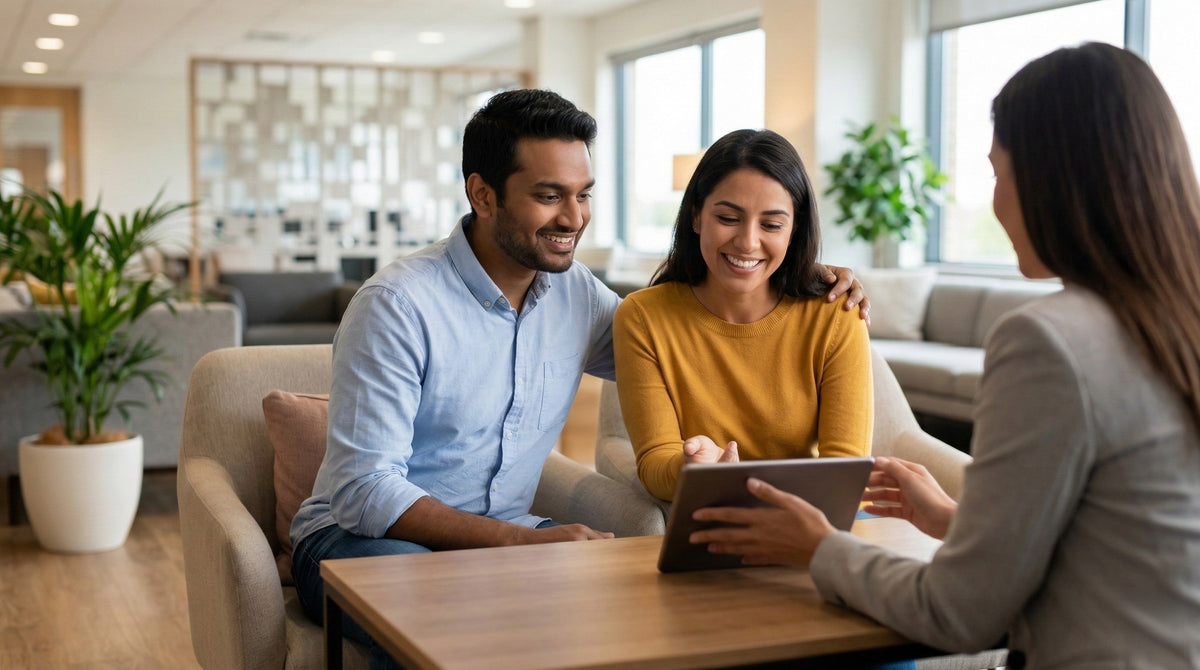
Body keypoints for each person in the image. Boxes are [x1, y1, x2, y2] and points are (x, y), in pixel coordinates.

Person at [288, 89, 869, 669]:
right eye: (548, 197)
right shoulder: (396, 305)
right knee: (430, 609)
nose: (574, 218)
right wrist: (522, 543)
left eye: (582, 195)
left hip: (510, 531)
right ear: (482, 194)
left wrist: (788, 275)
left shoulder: (577, 296)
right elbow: (365, 493)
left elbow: (690, 343)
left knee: (622, 620)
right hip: (358, 542)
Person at [689, 42, 1200, 669]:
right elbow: (1127, 542)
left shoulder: (1049, 341)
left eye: (996, 172)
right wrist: (957, 522)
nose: (995, 202)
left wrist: (818, 546)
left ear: (1048, 179)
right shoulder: (1178, 318)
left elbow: (958, 612)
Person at [613, 128, 872, 501]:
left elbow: (844, 469)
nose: (748, 242)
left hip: (817, 517)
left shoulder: (835, 313)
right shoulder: (642, 317)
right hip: (712, 515)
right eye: (729, 218)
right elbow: (655, 461)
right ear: (697, 216)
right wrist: (691, 468)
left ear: (793, 231)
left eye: (771, 225)